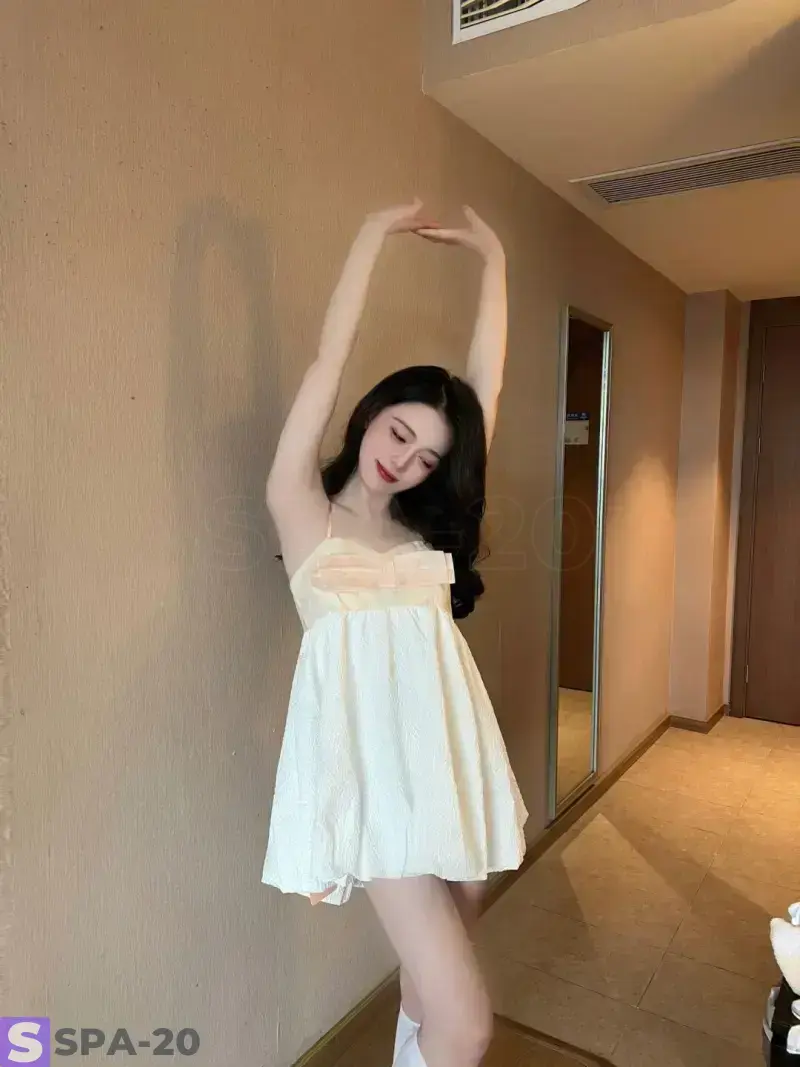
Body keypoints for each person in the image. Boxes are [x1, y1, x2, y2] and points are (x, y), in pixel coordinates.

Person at [262, 201, 528, 1067]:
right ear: (373, 411)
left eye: (425, 458)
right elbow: (327, 359)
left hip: (450, 765)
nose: (403, 460)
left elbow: (484, 389)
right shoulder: (305, 512)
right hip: (383, 794)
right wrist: (371, 234)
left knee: (434, 977)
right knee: (467, 1024)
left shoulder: (419, 530)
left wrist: (494, 260)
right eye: (399, 431)